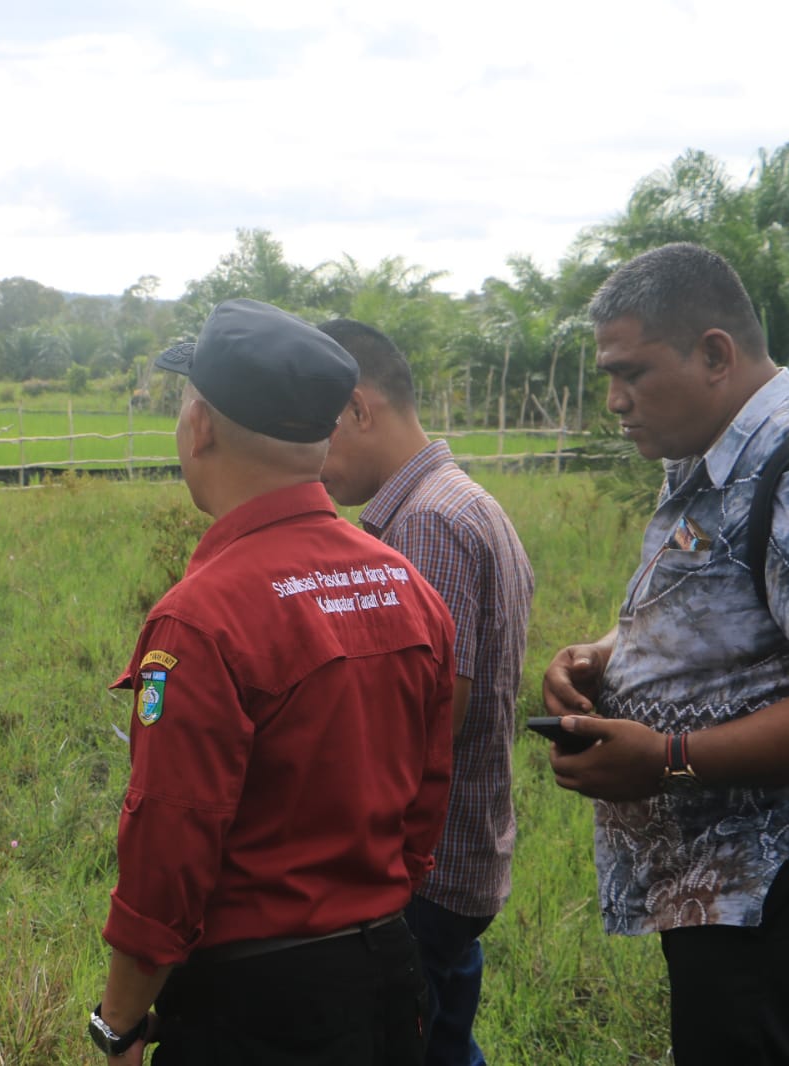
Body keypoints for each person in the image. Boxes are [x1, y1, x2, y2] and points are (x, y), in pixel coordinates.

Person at [90, 299, 456, 1065]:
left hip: (257, 1006)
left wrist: (117, 1021)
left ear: (201, 428)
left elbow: (169, 850)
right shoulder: (406, 586)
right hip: (390, 975)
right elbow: (426, 802)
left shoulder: (200, 620)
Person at [543, 242, 789, 1064]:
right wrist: (604, 654)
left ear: (714, 353)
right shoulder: (705, 450)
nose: (613, 401)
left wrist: (670, 759)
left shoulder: (782, 466)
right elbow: (707, 600)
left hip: (768, 893)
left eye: (631, 373)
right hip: (714, 890)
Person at [316, 318, 533, 1066]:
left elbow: (433, 715)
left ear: (355, 407)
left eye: (317, 428)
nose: (312, 460)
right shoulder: (463, 500)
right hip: (457, 861)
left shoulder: (425, 524)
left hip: (424, 869)